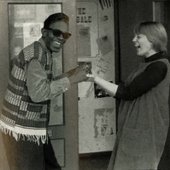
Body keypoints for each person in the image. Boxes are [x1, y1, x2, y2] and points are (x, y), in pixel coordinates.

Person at [0, 12, 89, 170]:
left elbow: (43, 84)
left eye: (65, 35)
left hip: (29, 127)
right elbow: (39, 94)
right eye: (57, 33)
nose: (61, 38)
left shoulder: (43, 52)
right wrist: (73, 80)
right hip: (22, 129)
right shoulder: (36, 56)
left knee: (51, 166)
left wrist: (71, 74)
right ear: (44, 32)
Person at [87, 21, 170, 170]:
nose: (134, 40)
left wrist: (95, 79)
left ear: (153, 39)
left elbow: (127, 93)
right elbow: (124, 89)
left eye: (138, 36)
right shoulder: (146, 65)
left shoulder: (159, 66)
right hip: (136, 131)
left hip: (145, 133)